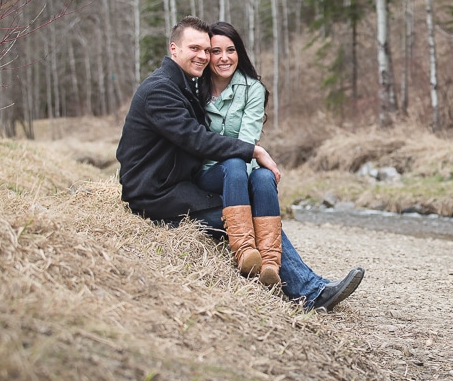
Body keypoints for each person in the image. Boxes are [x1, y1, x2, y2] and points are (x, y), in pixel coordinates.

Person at [116, 16, 364, 312]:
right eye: (195, 48)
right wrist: (254, 151)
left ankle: (303, 283)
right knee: (237, 216)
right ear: (174, 49)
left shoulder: (185, 85)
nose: (203, 55)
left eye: (206, 50)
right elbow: (197, 139)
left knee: (252, 190)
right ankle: (310, 291)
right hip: (155, 195)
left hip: (173, 185)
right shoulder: (162, 89)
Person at [194, 21, 281, 288]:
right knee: (233, 163)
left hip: (240, 170)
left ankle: (269, 263)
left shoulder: (252, 89)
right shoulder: (195, 89)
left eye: (230, 50)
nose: (224, 58)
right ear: (207, 56)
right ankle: (243, 251)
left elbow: (247, 139)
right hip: (208, 172)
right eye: (216, 51)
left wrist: (243, 182)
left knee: (265, 177)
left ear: (239, 53)